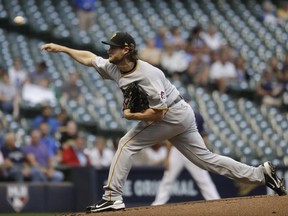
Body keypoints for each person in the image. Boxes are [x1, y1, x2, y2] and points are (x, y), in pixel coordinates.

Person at [41, 32, 286, 213]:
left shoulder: (148, 74)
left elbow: (158, 114)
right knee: (206, 160)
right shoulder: (114, 67)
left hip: (173, 114)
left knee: (127, 143)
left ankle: (112, 197)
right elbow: (89, 58)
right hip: (180, 114)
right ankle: (261, 174)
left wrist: (133, 116)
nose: (109, 51)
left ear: (126, 50)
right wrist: (62, 48)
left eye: (114, 48)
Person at [151, 112, 220, 205]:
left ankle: (215, 201)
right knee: (168, 179)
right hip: (176, 150)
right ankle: (158, 204)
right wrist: (167, 158)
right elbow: (169, 138)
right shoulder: (174, 115)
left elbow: (204, 136)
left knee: (203, 178)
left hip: (192, 149)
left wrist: (202, 155)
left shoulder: (197, 116)